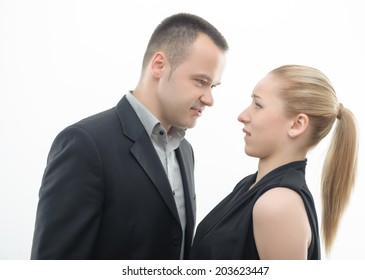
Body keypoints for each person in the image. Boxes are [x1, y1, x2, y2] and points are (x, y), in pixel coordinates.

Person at [31, 13, 228, 260]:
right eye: (201, 81)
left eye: (214, 87)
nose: (209, 99)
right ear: (159, 65)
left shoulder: (185, 151)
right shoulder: (85, 144)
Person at [190, 64, 358, 260]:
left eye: (258, 105)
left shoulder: (277, 205)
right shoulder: (250, 186)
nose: (243, 116)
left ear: (297, 124)